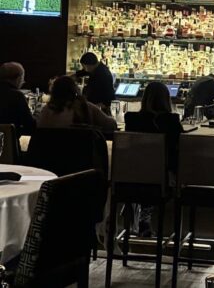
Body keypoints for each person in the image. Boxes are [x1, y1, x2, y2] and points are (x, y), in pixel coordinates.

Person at [124, 82, 183, 237]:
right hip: (163, 181)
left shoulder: (131, 119)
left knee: (146, 170)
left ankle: (140, 218)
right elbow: (180, 146)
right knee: (160, 171)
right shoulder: (171, 121)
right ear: (166, 99)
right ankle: (154, 223)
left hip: (131, 179)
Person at [37, 75, 116, 132]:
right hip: (81, 150)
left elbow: (39, 131)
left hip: (51, 150)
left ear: (54, 92)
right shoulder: (86, 107)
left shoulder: (46, 110)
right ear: (75, 89)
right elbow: (111, 125)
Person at [0, 62, 35, 137]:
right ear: (18, 78)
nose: (23, 82)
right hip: (9, 141)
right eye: (22, 78)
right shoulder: (17, 96)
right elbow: (30, 126)